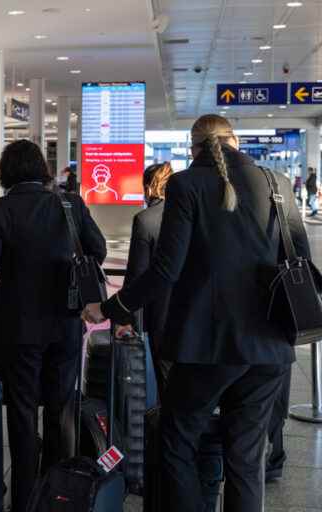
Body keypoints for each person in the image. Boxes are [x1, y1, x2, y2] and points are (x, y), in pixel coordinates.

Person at [82, 114, 308, 512]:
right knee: (246, 456)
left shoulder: (187, 184)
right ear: (234, 141)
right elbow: (300, 258)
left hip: (208, 345)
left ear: (194, 147)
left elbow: (166, 269)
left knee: (177, 438)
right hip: (270, 345)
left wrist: (114, 308)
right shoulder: (277, 184)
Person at [0, 140, 106, 512]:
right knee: (59, 409)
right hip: (66, 325)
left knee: (20, 411)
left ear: (6, 172)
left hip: (19, 328)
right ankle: (56, 494)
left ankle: (23, 498)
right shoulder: (70, 205)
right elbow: (96, 249)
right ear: (42, 170)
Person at [124, 162, 174, 394]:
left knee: (167, 384)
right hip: (200, 315)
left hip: (162, 318)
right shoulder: (196, 214)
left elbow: (137, 276)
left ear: (147, 188)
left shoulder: (146, 220)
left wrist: (126, 319)